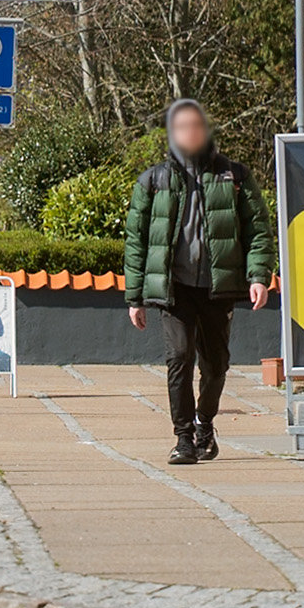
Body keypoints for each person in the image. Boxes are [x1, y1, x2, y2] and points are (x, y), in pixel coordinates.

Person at [122, 99, 274, 466]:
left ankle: (205, 423)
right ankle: (183, 438)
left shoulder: (234, 176)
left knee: (216, 364)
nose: (189, 133)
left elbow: (258, 230)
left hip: (218, 287)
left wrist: (259, 277)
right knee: (179, 358)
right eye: (181, 126)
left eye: (195, 126)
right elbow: (136, 239)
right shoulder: (153, 180)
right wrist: (135, 296)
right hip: (175, 289)